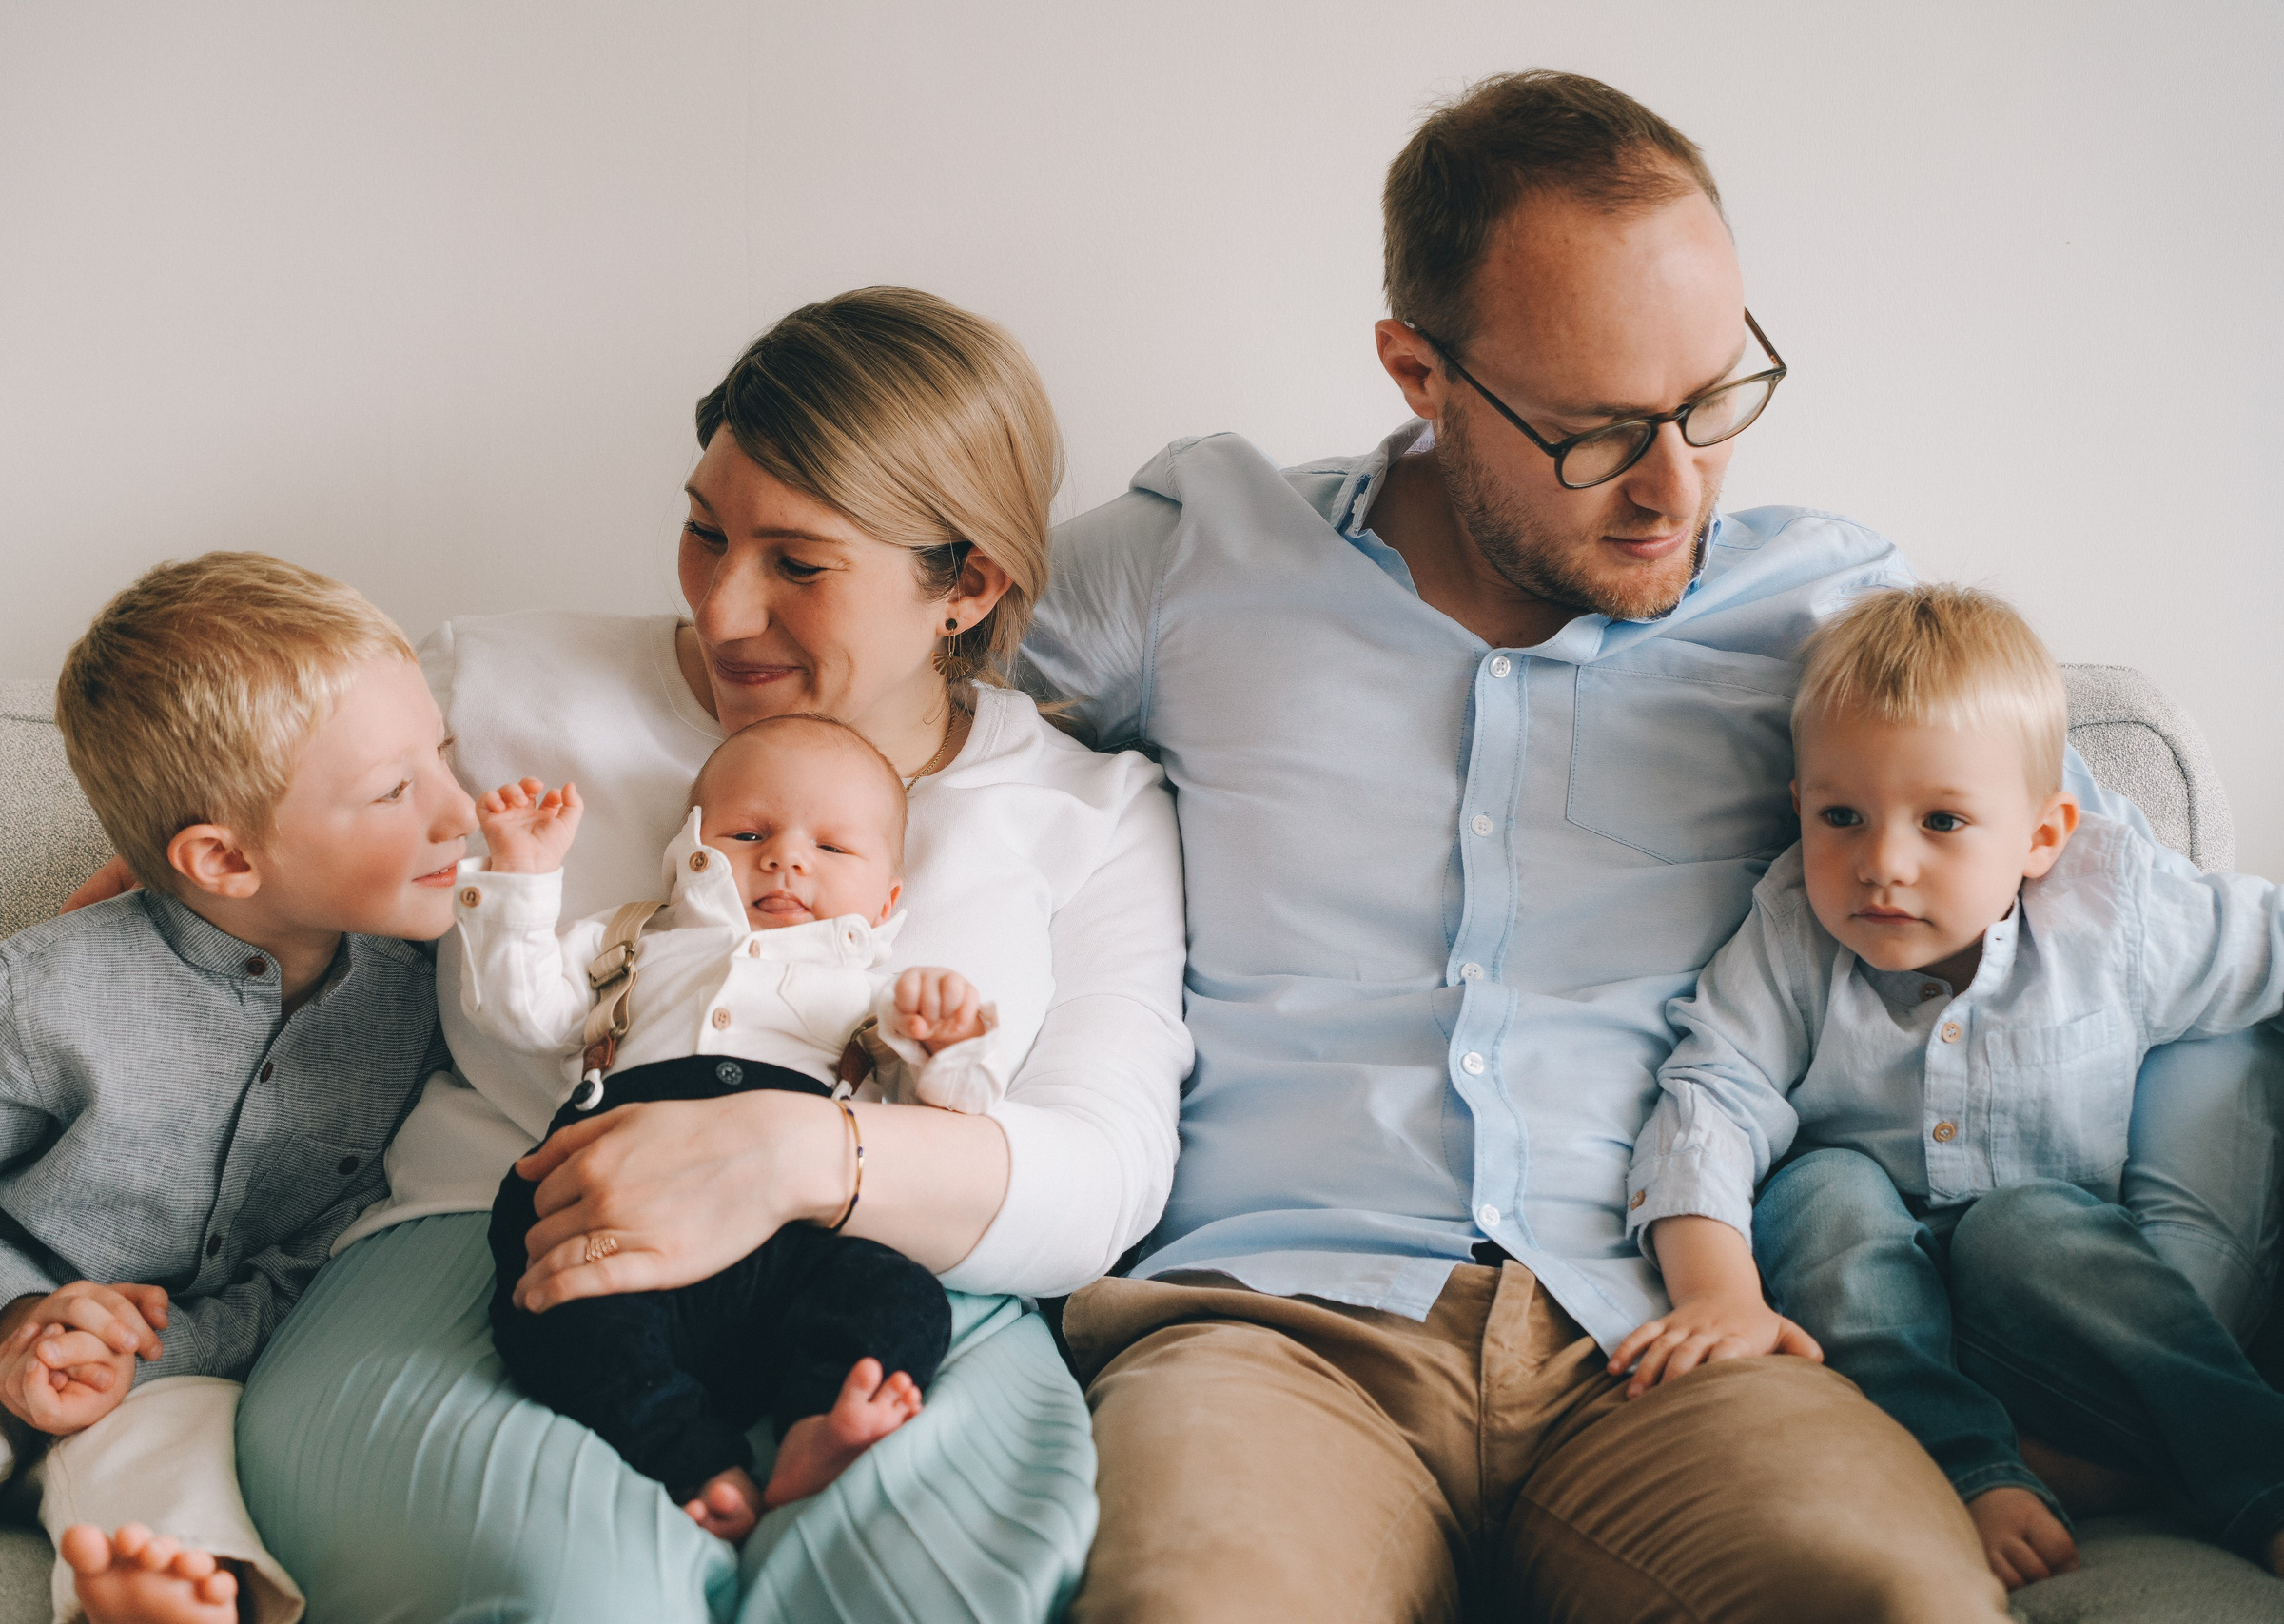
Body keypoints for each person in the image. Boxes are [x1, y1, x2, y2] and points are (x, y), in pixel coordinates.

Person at [1020, 70, 2282, 1621]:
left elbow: (2124, 910)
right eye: (1600, 432)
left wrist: (2142, 1348)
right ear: (1419, 370)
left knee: (1902, 1603)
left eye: (1711, 400)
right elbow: (881, 656)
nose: (1675, 487)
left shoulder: (1828, 622)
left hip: (1679, 1335)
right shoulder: (1196, 557)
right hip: (1280, 1326)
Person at [209, 287, 1191, 1624]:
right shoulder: (490, 687)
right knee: (582, 1591)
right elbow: (231, 863)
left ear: (967, 584)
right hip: (507, 1246)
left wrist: (791, 1154)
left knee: (915, 1594)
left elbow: (1108, 1173)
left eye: (800, 564)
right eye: (704, 531)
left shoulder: (1093, 814)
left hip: (892, 1283)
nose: (726, 610)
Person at [1614, 584, 2284, 1589]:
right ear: (1799, 805)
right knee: (1821, 1185)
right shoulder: (1793, 931)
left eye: (1941, 820)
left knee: (2026, 1223)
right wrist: (1720, 1293)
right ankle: (1973, 1471)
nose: (1881, 864)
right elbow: (1711, 1094)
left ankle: (2255, 1481)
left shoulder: (2118, 916)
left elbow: (2268, 947)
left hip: (2055, 1316)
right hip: (1880, 1325)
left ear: (2042, 836)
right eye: (1841, 815)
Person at [0, 554, 468, 1624]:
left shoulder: (418, 1002)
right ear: (224, 860)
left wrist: (151, 1355)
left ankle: (160, 1599)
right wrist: (17, 1313)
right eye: (394, 791)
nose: (459, 811)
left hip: (170, 1370)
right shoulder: (25, 1001)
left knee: (188, 1482)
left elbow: (324, 1253)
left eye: (443, 756)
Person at [459, 717, 1005, 1541]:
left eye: (832, 847)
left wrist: (949, 1042)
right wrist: (522, 879)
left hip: (789, 1242)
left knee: (899, 1296)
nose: (787, 858)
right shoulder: (634, 942)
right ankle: (692, 1458)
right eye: (749, 834)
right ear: (688, 849)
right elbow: (518, 1010)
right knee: (549, 1306)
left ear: (888, 901)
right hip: (607, 1210)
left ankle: (817, 1421)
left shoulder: (878, 993)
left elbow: (951, 1115)